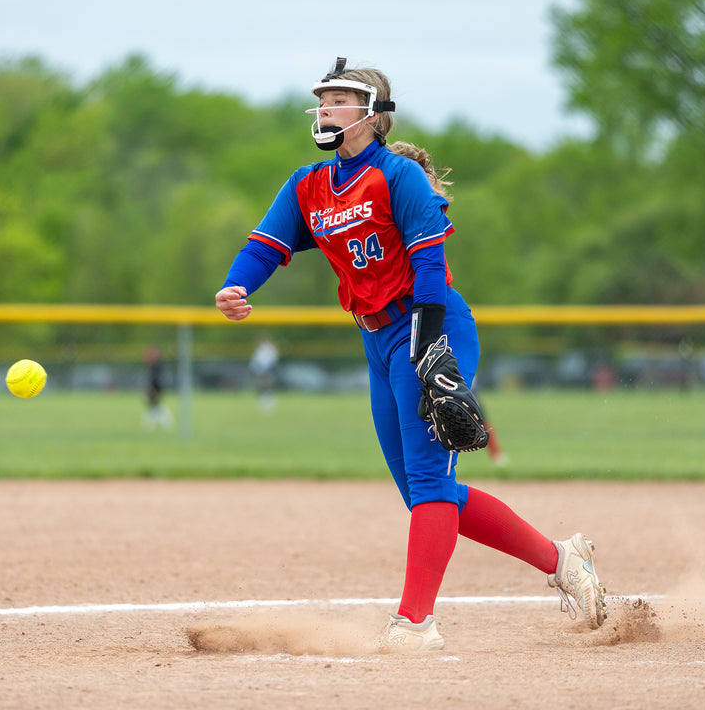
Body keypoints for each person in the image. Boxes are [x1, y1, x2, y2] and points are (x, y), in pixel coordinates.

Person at [214, 57, 607, 651]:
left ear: (374, 116)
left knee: (428, 482)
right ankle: (562, 561)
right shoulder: (308, 185)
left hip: (430, 328)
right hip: (375, 339)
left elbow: (428, 262)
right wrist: (237, 284)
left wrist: (428, 347)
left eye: (339, 100)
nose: (325, 108)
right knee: (424, 491)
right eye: (321, 100)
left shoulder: (399, 178)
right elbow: (265, 244)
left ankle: (415, 623)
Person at [142, 345, 174, 430]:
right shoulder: (153, 366)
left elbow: (157, 379)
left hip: (157, 387)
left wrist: (152, 388)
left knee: (154, 405)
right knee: (153, 405)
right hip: (155, 387)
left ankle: (162, 421)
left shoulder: (157, 365)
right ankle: (155, 421)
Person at [250, 335, 279, 414]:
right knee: (263, 385)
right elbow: (256, 360)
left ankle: (269, 399)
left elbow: (273, 358)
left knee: (268, 384)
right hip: (261, 369)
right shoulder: (260, 349)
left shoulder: (270, 348)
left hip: (269, 368)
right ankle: (264, 398)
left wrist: (267, 368)